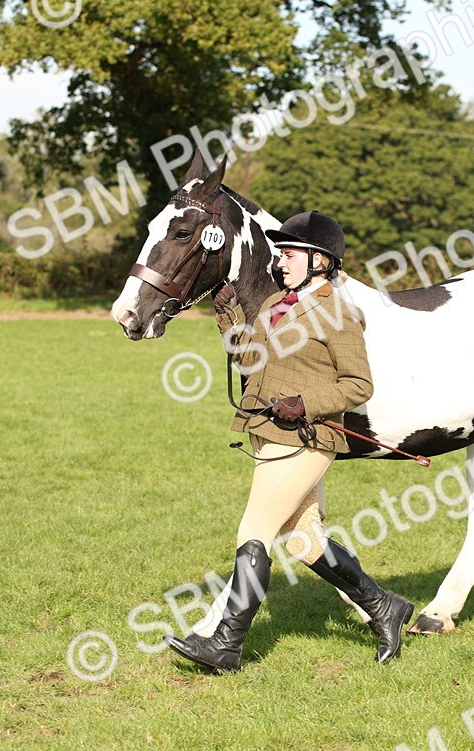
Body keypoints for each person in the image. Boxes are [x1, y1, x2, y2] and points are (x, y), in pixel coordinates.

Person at [164, 210, 415, 673]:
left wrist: (307, 402)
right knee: (303, 540)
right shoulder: (276, 303)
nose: (280, 261)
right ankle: (385, 607)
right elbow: (250, 360)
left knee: (254, 531)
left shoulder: (339, 314)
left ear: (320, 260)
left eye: (290, 254)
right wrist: (229, 315)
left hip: (307, 439)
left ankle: (226, 645)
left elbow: (359, 385)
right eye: (281, 254)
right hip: (267, 432)